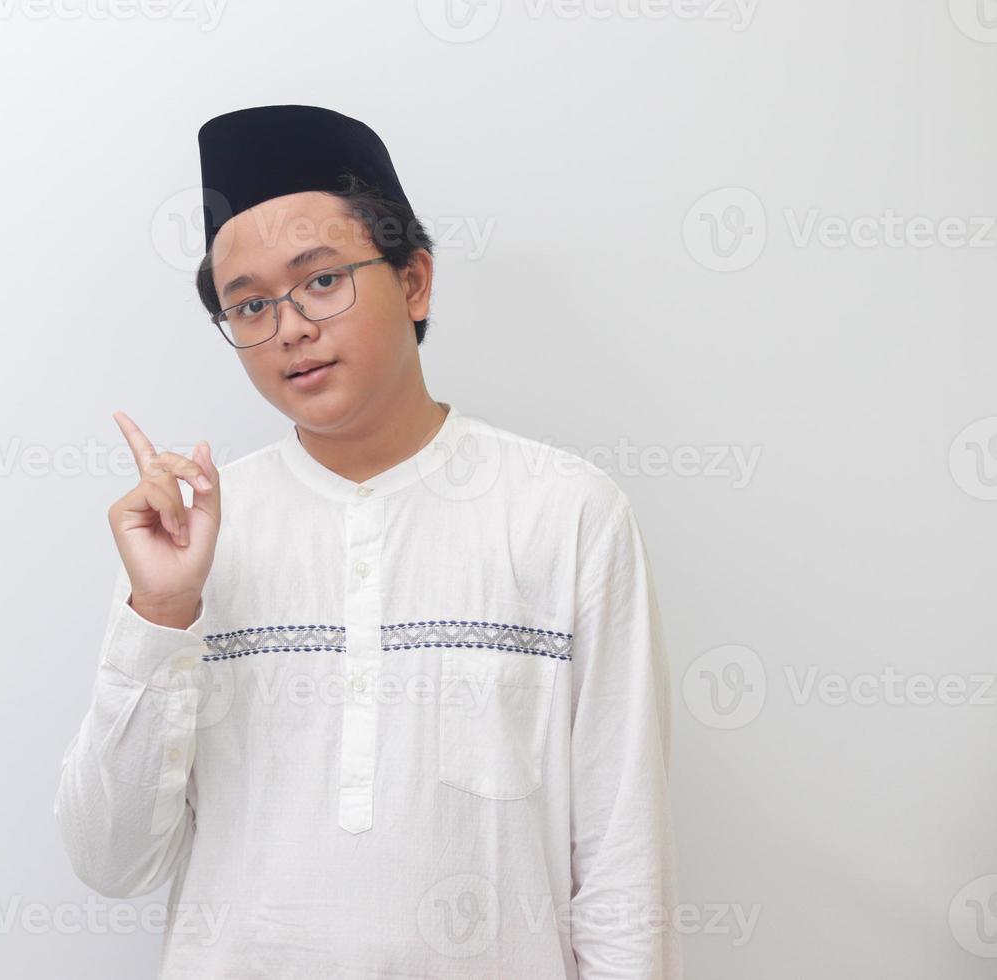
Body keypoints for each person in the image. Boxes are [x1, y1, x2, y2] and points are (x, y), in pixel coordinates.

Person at [54, 103, 681, 979]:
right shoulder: (199, 538)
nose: (291, 329)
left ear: (414, 281)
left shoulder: (565, 512)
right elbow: (110, 861)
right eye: (250, 305)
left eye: (320, 281)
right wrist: (160, 611)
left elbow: (622, 869)